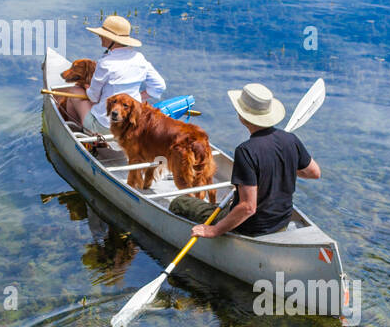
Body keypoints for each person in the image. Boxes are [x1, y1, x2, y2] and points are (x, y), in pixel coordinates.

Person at [191, 82, 320, 238]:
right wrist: (283, 165)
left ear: (242, 115)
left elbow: (248, 208)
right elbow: (313, 172)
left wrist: (214, 230)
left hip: (251, 228)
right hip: (281, 222)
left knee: (181, 203)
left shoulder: (246, 151)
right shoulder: (290, 139)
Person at [66, 14, 166, 136]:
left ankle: (81, 132)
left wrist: (87, 89)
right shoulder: (140, 58)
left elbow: (93, 97)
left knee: (74, 91)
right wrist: (136, 99)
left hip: (105, 127)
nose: (99, 36)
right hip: (130, 124)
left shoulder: (105, 63)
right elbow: (159, 86)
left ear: (111, 40)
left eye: (103, 34)